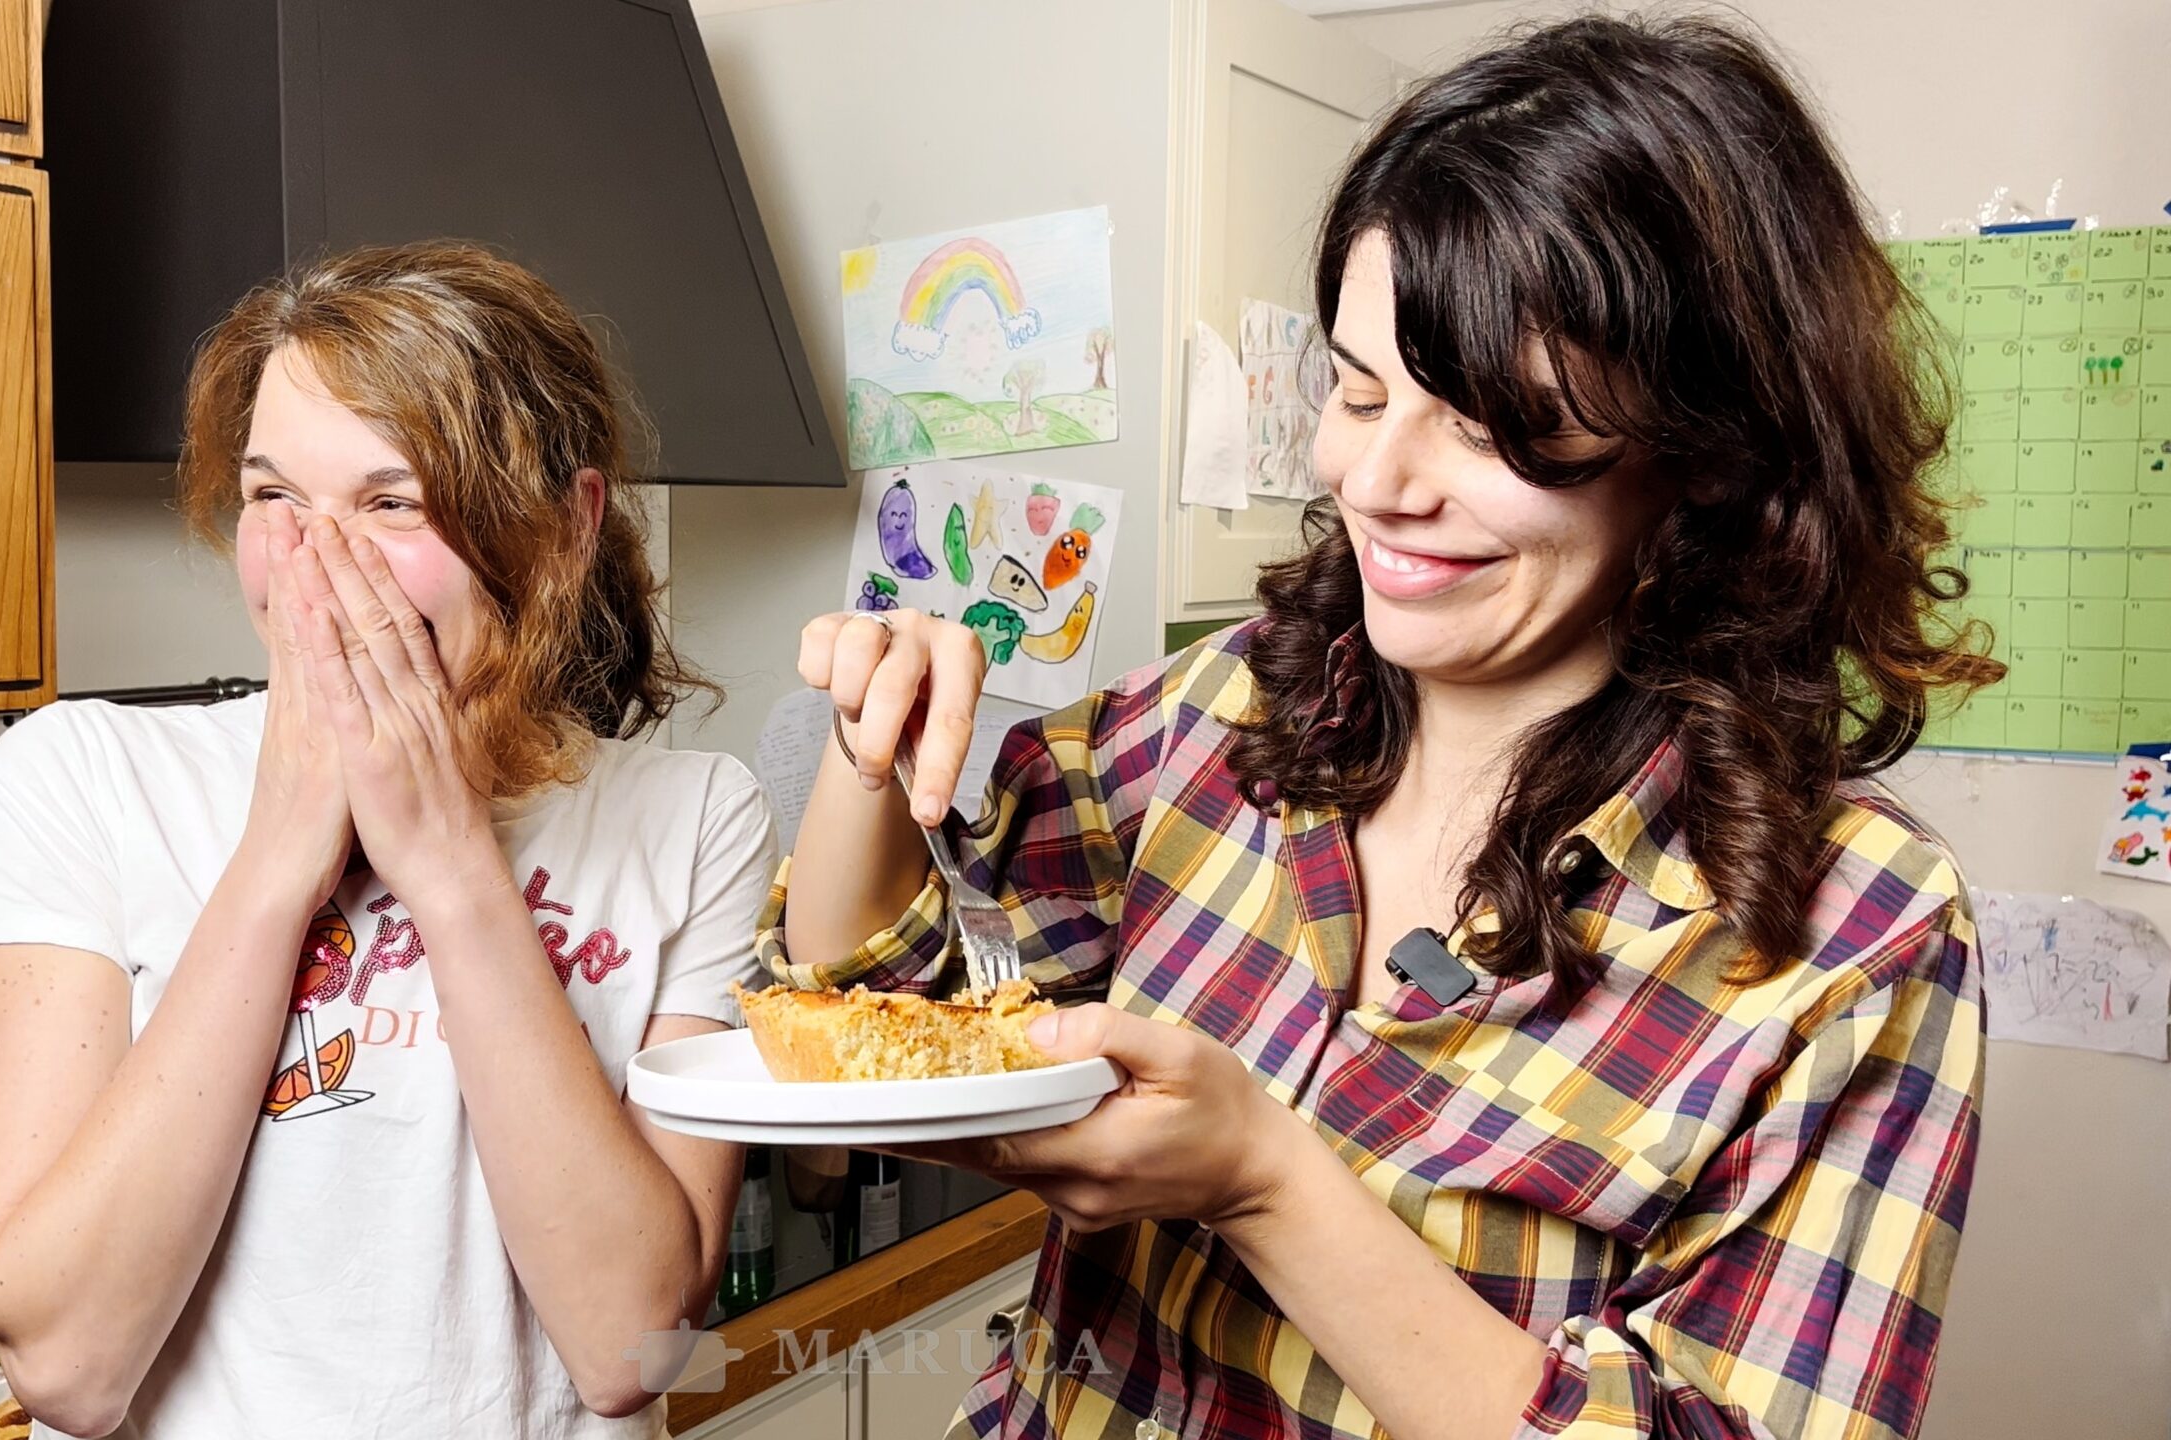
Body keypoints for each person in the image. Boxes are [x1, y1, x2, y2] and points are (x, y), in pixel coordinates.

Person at [773, 16, 1994, 1440]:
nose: (1379, 480)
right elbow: (896, 1009)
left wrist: (1265, 1184)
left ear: (1707, 461)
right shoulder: (1210, 720)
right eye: (1356, 391)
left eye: (1495, 425)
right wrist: (871, 751)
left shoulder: (1860, 936)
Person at [0, 243, 777, 1439]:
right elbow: (67, 1369)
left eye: (393, 504)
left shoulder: (694, 816)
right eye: (274, 497)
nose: (315, 570)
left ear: (561, 529)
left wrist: (446, 863)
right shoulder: (75, 775)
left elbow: (627, 1347)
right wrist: (283, 851)